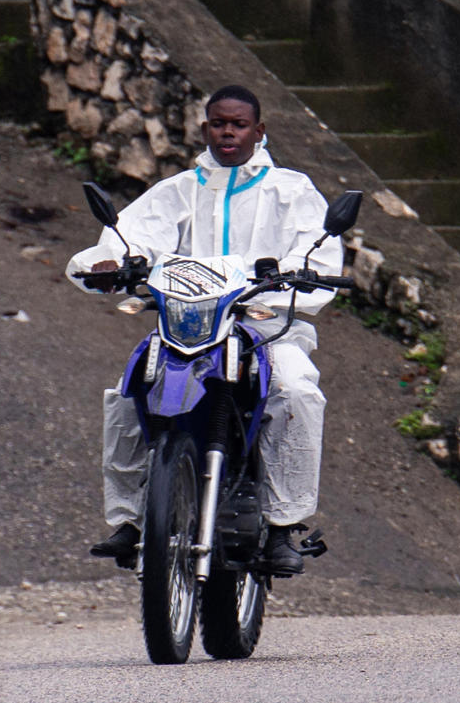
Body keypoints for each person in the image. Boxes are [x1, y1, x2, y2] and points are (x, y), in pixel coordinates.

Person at [64, 85, 337, 575]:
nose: (227, 131)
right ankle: (131, 521)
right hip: (186, 324)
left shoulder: (293, 191)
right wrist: (106, 265)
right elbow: (131, 238)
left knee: (295, 389)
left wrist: (298, 272)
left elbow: (314, 251)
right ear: (205, 127)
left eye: (237, 124)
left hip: (266, 326)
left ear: (259, 130)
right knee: (132, 388)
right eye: (217, 122)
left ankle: (281, 528)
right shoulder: (179, 190)